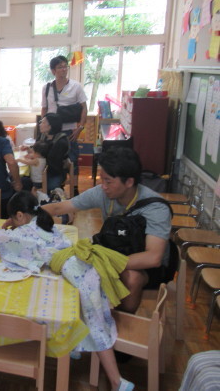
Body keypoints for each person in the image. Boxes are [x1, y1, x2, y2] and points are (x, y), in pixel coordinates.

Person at [0, 191, 134, 391]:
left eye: (14, 219)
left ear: (19, 215)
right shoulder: (44, 223)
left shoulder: (25, 231)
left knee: (96, 326)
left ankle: (117, 382)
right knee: (86, 314)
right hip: (85, 266)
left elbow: (6, 239)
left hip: (79, 273)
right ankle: (76, 345)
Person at [42, 147, 174, 314]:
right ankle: (82, 312)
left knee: (131, 277)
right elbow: (59, 207)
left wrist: (105, 264)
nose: (103, 186)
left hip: (149, 266)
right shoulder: (104, 193)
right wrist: (25, 214)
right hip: (117, 252)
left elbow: (153, 257)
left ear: (129, 182)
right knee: (73, 262)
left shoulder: (155, 208)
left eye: (108, 181)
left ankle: (120, 320)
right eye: (101, 179)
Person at [41, 55, 87, 195]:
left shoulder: (76, 86)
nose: (63, 69)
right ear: (53, 71)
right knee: (52, 160)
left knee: (72, 159)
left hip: (70, 131)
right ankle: (57, 186)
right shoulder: (47, 88)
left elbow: (84, 108)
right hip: (52, 132)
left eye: (65, 66)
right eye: (60, 67)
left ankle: (74, 189)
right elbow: (44, 108)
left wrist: (80, 127)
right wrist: (43, 127)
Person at [38, 113, 69, 193]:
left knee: (49, 188)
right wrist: (30, 149)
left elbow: (53, 164)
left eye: (43, 122)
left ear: (50, 126)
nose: (40, 124)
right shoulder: (43, 136)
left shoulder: (61, 142)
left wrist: (37, 155)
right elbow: (36, 149)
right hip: (43, 170)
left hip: (55, 173)